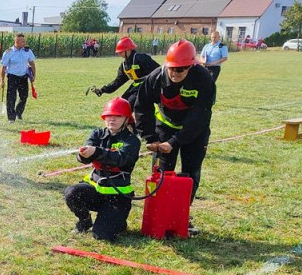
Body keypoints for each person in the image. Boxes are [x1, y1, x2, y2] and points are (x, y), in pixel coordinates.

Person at [132, 38, 216, 233]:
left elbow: (200, 116)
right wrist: (151, 138)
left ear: (191, 66)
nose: (176, 73)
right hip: (165, 127)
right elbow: (142, 107)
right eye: (173, 69)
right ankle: (160, 214)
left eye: (182, 69)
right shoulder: (155, 78)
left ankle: (183, 215)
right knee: (162, 173)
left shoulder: (203, 79)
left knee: (191, 172)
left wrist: (176, 141)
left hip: (194, 131)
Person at [64, 97, 141, 242]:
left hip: (117, 197)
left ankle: (117, 220)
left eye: (118, 116)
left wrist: (97, 152)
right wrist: (83, 155)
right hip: (96, 191)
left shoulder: (131, 141)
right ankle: (85, 221)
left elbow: (122, 159)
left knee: (103, 236)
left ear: (126, 119)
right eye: (109, 116)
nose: (112, 119)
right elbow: (85, 156)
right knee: (72, 193)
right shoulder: (97, 134)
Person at [91, 36, 159, 106]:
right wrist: (103, 90)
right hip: (136, 87)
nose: (118, 54)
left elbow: (158, 71)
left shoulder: (142, 58)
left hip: (148, 87)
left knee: (130, 105)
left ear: (128, 50)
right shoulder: (124, 65)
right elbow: (118, 81)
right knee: (122, 104)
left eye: (120, 51)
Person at [0, 33, 36, 123]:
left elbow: (32, 64)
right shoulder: (8, 52)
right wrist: (2, 80)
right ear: (17, 42)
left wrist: (33, 76)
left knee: (24, 96)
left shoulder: (27, 51)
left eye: (24, 40)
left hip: (23, 77)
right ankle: (11, 118)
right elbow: (3, 68)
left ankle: (18, 112)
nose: (24, 42)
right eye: (22, 41)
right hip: (12, 77)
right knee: (11, 97)